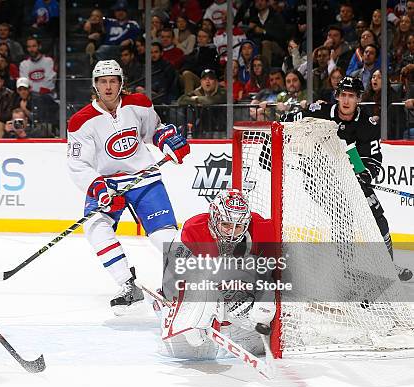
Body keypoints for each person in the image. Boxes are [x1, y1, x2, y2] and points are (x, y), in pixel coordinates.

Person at [67, 60, 190, 314]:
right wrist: (99, 189)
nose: (108, 86)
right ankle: (127, 285)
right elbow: (79, 165)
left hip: (143, 177)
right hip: (108, 184)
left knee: (163, 237)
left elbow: (154, 131)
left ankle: (182, 284)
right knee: (95, 228)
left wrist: (169, 142)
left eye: (113, 81)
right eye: (103, 81)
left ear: (121, 83)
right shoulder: (81, 122)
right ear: (95, 85)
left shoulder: (139, 103)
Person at [283, 76, 412, 282]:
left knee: (377, 216)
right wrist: (285, 120)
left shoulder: (366, 124)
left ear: (358, 99)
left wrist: (363, 176)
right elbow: (292, 119)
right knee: (341, 215)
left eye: (351, 96)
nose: (346, 100)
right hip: (320, 175)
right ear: (336, 96)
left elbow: (373, 159)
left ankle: (389, 265)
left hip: (352, 172)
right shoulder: (322, 113)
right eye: (343, 95)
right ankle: (346, 266)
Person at [159, 190, 277, 360]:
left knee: (260, 323)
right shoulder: (193, 231)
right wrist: (188, 317)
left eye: (238, 227)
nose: (231, 232)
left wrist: (264, 301)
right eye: (226, 224)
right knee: (185, 352)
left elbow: (268, 276)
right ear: (214, 218)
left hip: (234, 296)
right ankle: (197, 321)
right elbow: (172, 282)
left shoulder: (261, 230)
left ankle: (234, 325)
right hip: (196, 292)